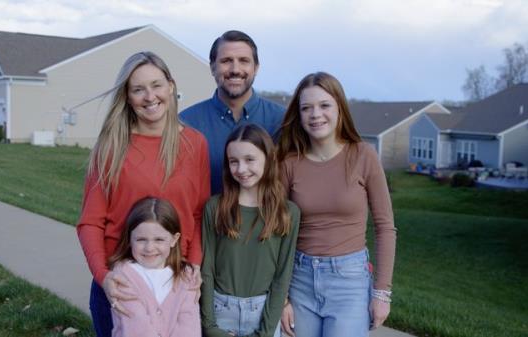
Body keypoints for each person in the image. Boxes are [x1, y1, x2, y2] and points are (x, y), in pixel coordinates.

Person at [76, 51, 210, 337]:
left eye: (156, 85)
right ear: (127, 96)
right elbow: (90, 222)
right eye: (138, 89)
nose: (150, 96)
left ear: (171, 86)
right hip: (123, 283)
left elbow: (199, 214)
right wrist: (104, 277)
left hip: (176, 285)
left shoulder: (194, 144)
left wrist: (195, 264)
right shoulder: (112, 146)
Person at [277, 72, 396, 337]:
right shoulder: (288, 164)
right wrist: (282, 298)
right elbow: (279, 233)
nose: (315, 114)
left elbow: (385, 227)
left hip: (350, 282)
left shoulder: (363, 155)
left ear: (339, 107)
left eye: (324, 105)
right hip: (300, 280)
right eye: (306, 108)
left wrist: (382, 293)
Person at [200, 124, 300, 337]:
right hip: (220, 312)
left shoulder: (287, 212)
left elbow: (282, 276)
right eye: (233, 161)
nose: (241, 169)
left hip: (263, 314)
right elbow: (206, 269)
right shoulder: (215, 207)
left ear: (268, 158)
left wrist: (265, 332)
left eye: (250, 159)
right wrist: (209, 326)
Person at [180, 30, 285, 195]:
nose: (235, 69)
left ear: (256, 67)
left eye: (244, 61)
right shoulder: (185, 124)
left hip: (270, 219)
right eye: (226, 61)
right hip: (207, 220)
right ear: (213, 67)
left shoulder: (282, 121)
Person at [108, 197, 201, 337]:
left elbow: (188, 327)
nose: (149, 248)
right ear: (129, 239)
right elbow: (137, 326)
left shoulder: (187, 276)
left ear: (174, 240)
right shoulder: (123, 274)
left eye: (159, 239)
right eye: (141, 239)